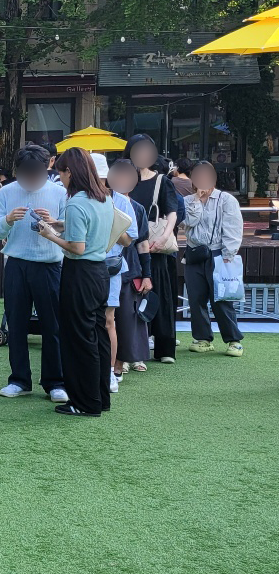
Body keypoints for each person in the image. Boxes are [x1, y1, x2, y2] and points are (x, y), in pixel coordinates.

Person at [36, 148, 114, 417]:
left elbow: (77, 247)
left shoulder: (76, 203)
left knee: (79, 339)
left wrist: (50, 235)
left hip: (79, 273)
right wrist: (59, 224)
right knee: (98, 336)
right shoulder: (103, 197)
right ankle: (100, 398)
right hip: (100, 272)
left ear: (69, 172)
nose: (60, 178)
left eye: (60, 172)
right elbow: (92, 231)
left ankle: (84, 402)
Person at [0, 144, 69, 402]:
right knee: (16, 324)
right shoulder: (7, 192)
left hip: (50, 265)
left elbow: (70, 230)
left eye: (37, 174)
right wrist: (8, 219)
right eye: (26, 174)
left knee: (52, 325)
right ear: (18, 171)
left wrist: (54, 223)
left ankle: (55, 382)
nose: (32, 180)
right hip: (16, 263)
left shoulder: (60, 192)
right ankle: (19, 380)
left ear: (47, 168)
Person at [125, 134, 182, 365]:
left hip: (156, 248)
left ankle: (165, 347)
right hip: (128, 247)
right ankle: (133, 351)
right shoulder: (121, 180)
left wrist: (165, 236)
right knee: (130, 298)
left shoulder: (161, 181)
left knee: (162, 296)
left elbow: (172, 212)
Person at [179, 160, 245, 357]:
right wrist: (197, 201)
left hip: (219, 254)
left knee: (222, 299)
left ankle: (234, 340)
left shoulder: (226, 199)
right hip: (194, 253)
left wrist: (229, 254)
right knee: (196, 298)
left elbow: (234, 228)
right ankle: (203, 338)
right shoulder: (187, 201)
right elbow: (188, 222)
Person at [98, 154, 139, 395]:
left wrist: (110, 217)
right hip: (82, 265)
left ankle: (111, 371)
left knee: (108, 320)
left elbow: (128, 240)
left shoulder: (121, 201)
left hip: (110, 266)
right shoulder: (77, 197)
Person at [108, 159, 153, 377]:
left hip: (130, 269)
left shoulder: (138, 208)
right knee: (109, 319)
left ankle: (123, 361)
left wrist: (147, 275)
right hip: (106, 266)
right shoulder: (99, 202)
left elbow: (143, 243)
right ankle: (113, 362)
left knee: (127, 318)